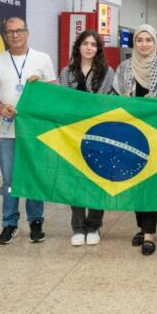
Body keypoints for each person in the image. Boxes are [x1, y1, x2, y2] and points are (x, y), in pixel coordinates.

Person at [0, 17, 56, 245]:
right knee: (10, 180)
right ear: (5, 35)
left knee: (34, 176)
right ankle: (10, 224)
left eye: (19, 31)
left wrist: (43, 87)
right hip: (7, 130)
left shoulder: (42, 59)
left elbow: (55, 93)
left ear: (27, 32)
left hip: (34, 131)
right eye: (10, 32)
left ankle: (36, 222)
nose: (15, 35)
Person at [113, 24, 157, 256]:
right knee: (136, 179)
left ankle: (149, 234)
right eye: (140, 40)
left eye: (149, 40)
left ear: (155, 43)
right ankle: (142, 227)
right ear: (134, 43)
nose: (144, 44)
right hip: (131, 133)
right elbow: (116, 99)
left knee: (152, 181)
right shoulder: (124, 68)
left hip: (156, 133)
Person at [58, 30, 115, 247]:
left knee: (97, 179)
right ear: (78, 46)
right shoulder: (66, 71)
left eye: (94, 44)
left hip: (99, 133)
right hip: (73, 134)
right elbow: (62, 99)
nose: (89, 48)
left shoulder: (107, 72)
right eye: (85, 43)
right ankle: (78, 227)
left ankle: (94, 226)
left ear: (98, 49)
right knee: (75, 180)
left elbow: (105, 102)